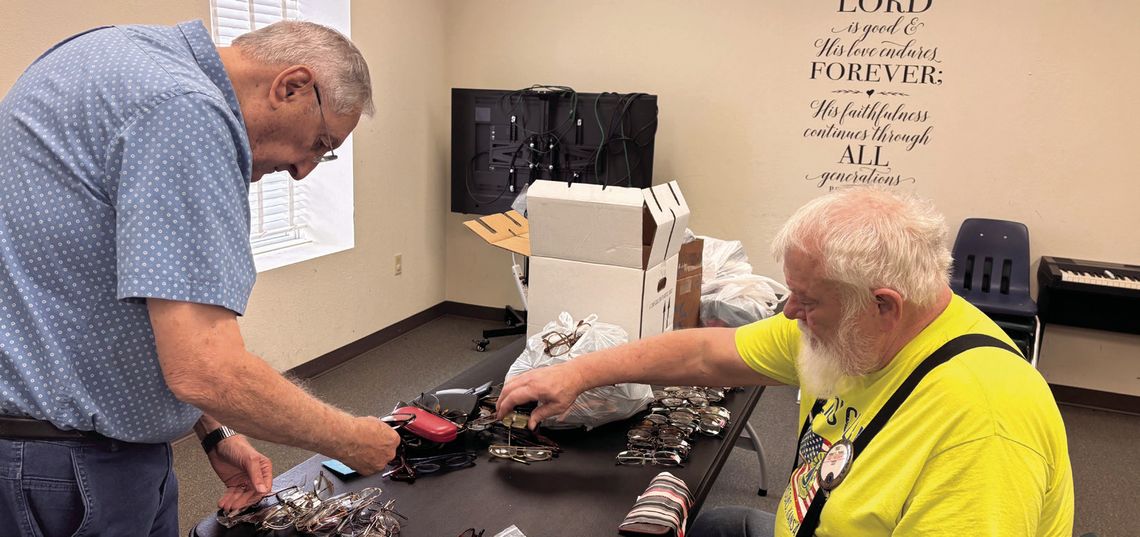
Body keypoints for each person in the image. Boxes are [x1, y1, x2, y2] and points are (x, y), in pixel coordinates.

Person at [0, 20, 399, 535]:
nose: (305, 170)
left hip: (43, 453)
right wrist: (351, 440)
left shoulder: (109, 52)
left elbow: (103, 292)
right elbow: (207, 369)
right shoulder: (185, 110)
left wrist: (213, 430)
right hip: (78, 470)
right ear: (292, 86)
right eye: (319, 143)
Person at [497, 188, 1074, 537]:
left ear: (884, 305)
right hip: (810, 521)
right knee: (714, 522)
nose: (788, 311)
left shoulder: (984, 427)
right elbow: (704, 352)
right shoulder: (858, 330)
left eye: (808, 299)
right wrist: (578, 371)